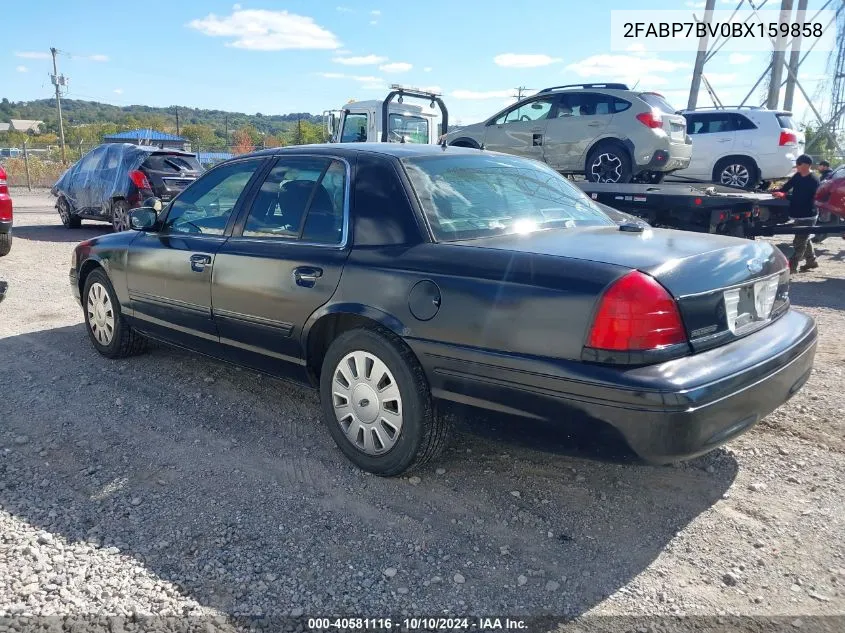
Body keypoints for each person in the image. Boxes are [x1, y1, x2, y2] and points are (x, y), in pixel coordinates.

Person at [773, 154, 820, 273]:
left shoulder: (813, 180)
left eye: (799, 164)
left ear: (807, 165)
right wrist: (777, 191)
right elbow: (787, 187)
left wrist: (785, 196)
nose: (797, 166)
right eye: (797, 163)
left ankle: (792, 268)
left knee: (799, 242)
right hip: (799, 214)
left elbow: (802, 198)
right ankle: (811, 261)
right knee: (804, 238)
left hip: (808, 215)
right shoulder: (798, 176)